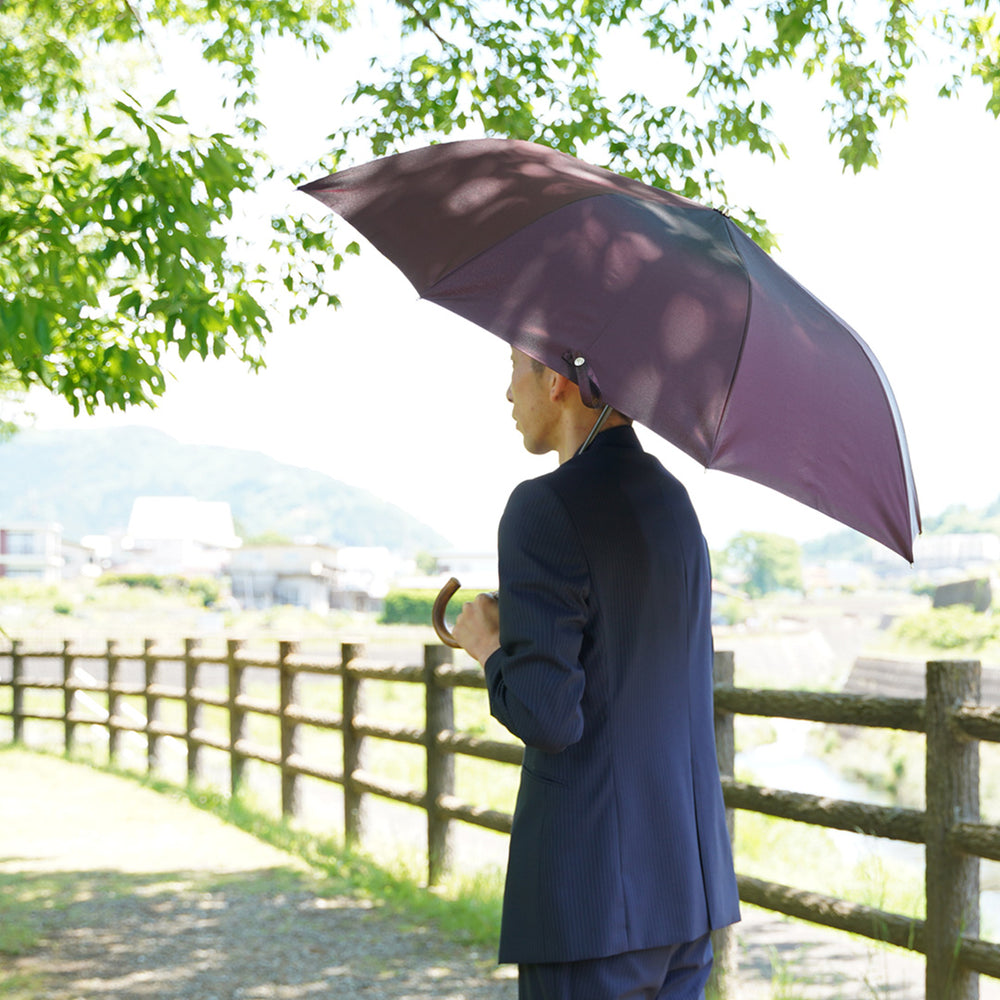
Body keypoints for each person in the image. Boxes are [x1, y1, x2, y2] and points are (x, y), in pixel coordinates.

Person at [452, 348, 740, 1000]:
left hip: (591, 902)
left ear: (556, 381)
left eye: (514, 368)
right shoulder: (675, 505)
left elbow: (549, 715)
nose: (506, 393)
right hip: (687, 894)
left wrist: (491, 649)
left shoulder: (543, 508)